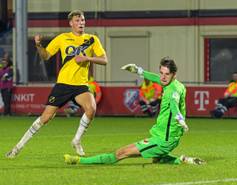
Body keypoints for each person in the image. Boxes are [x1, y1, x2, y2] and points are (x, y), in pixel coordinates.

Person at [64, 57, 204, 166]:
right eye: (161, 72)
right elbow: (155, 78)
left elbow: (174, 104)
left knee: (120, 153)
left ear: (174, 74)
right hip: (164, 135)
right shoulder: (175, 83)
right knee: (157, 160)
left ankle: (78, 161)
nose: (162, 77)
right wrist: (139, 71)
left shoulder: (174, 90)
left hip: (164, 140)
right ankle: (184, 160)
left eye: (166, 74)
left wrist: (180, 119)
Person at [6, 10, 108, 158]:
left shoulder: (92, 39)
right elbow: (46, 56)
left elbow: (104, 60)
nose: (81, 23)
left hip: (81, 84)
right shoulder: (63, 38)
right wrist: (39, 45)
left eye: (83, 20)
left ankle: (76, 140)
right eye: (78, 21)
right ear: (71, 23)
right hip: (63, 84)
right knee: (46, 118)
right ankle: (17, 148)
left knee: (91, 109)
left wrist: (87, 58)